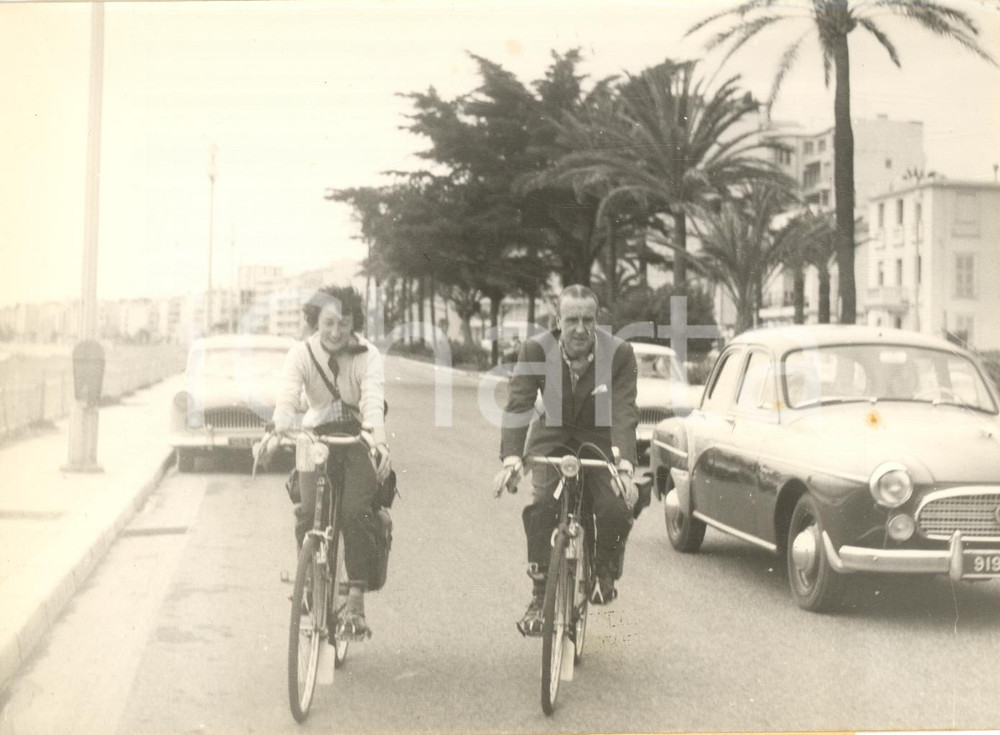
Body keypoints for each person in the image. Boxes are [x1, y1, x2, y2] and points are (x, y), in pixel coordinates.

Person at [493, 285, 639, 636]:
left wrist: (624, 468)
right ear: (557, 320)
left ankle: (603, 571)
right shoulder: (535, 349)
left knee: (616, 509)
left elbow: (624, 411)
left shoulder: (619, 353)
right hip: (552, 437)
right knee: (543, 506)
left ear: (597, 320)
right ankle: (539, 593)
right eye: (571, 320)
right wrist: (512, 460)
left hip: (600, 439)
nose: (579, 328)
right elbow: (519, 404)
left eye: (588, 320)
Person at [266, 285, 392, 640]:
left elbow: (372, 401)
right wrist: (279, 429)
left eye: (345, 322)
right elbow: (288, 397)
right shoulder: (300, 354)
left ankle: (355, 599)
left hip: (356, 438)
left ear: (354, 322)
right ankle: (308, 581)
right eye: (329, 322)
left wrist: (378, 443)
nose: (336, 332)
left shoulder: (368, 355)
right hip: (315, 438)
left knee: (355, 511)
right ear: (315, 322)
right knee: (307, 512)